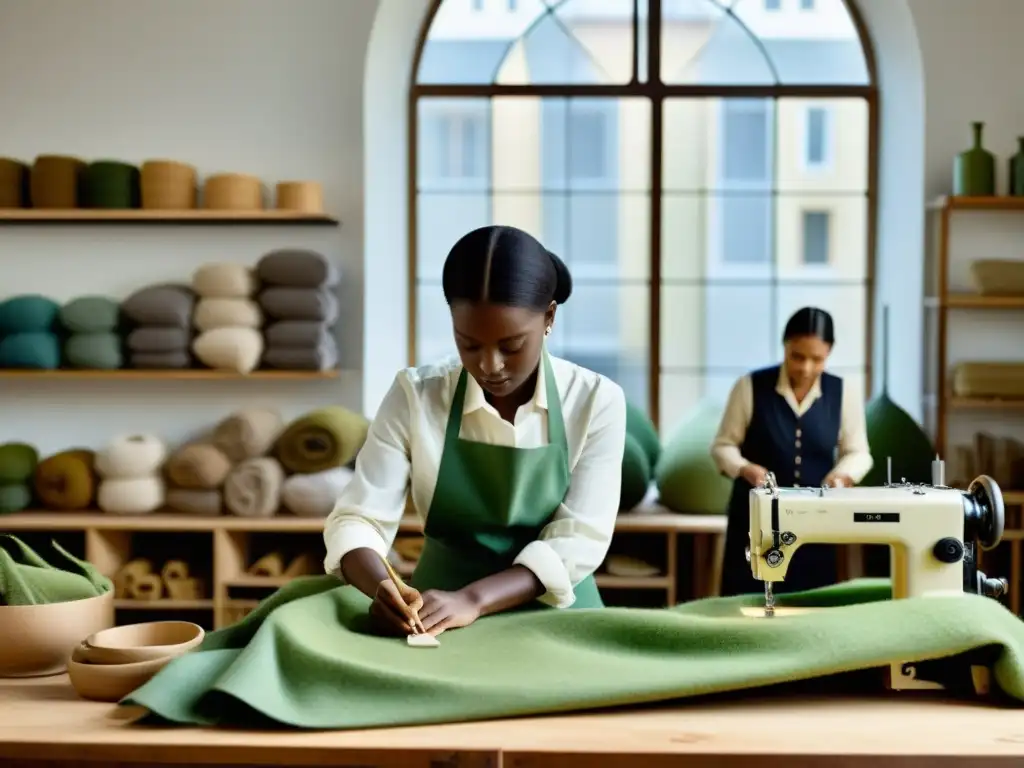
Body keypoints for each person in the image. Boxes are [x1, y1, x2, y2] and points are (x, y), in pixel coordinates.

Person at [323, 225, 627, 637]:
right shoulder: (416, 395)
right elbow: (360, 517)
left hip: (557, 620)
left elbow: (580, 536)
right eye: (469, 344)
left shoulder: (595, 401)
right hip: (436, 618)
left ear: (549, 317)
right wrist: (383, 588)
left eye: (511, 346)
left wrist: (474, 600)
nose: (490, 365)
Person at [710, 306, 873, 598]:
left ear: (829, 352)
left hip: (815, 522)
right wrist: (744, 468)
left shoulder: (843, 392)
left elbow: (858, 451)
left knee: (809, 603)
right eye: (797, 356)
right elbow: (723, 446)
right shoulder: (749, 387)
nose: (806, 368)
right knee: (746, 603)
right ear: (785, 346)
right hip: (754, 521)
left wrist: (843, 475)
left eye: (817, 359)